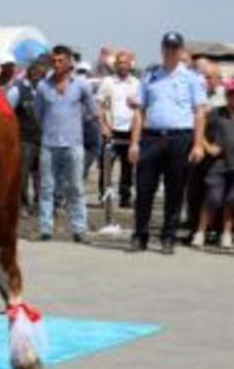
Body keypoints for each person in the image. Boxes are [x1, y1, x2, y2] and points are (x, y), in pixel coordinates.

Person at [129, 32, 208, 255]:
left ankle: (168, 237)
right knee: (144, 189)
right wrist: (135, 143)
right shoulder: (150, 76)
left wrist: (198, 144)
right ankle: (140, 235)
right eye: (167, 47)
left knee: (175, 190)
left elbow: (199, 113)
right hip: (152, 137)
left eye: (175, 47)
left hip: (179, 138)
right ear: (162, 49)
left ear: (181, 50)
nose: (170, 51)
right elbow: (139, 112)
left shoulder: (192, 78)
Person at [34, 45, 96, 242]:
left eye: (61, 61)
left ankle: (79, 229)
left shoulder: (81, 85)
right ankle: (45, 229)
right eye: (54, 61)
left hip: (73, 145)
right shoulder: (43, 86)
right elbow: (38, 114)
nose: (57, 64)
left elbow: (91, 112)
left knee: (76, 188)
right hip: (49, 144)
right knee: (46, 188)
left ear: (70, 62)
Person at [191, 80, 234, 249]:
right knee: (212, 198)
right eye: (231, 94)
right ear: (226, 96)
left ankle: (226, 234)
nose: (233, 97)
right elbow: (198, 128)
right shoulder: (215, 113)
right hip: (218, 164)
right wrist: (207, 146)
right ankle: (200, 232)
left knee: (232, 201)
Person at [97, 51, 141, 208]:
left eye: (125, 63)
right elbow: (100, 106)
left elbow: (141, 108)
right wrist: (103, 126)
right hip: (111, 129)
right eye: (120, 63)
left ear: (131, 65)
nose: (123, 66)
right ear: (116, 65)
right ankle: (104, 196)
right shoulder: (108, 82)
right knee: (106, 165)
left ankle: (125, 197)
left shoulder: (136, 83)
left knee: (128, 166)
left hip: (130, 130)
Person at [7, 61, 46, 216]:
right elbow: (8, 114)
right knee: (22, 176)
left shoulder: (44, 90)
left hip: (43, 139)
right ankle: (22, 205)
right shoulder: (17, 90)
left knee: (42, 177)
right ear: (30, 72)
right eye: (36, 71)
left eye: (41, 72)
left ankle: (39, 206)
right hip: (24, 139)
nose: (38, 74)